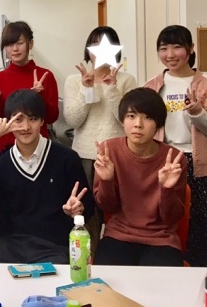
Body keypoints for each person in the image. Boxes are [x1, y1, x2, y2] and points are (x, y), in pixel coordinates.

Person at [0, 89, 93, 264]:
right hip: (9, 246)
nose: (26, 127)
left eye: (33, 119)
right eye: (18, 120)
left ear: (42, 121)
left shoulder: (67, 158)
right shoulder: (1, 163)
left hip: (54, 247)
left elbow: (88, 208)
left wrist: (77, 210)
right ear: (8, 122)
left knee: (55, 278)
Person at [144, 25, 207, 267]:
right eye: (163, 48)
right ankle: (169, 267)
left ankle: (202, 272)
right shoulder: (151, 87)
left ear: (190, 49)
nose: (170, 54)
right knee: (165, 219)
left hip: (199, 164)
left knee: (202, 224)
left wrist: (198, 113)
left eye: (177, 47)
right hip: (163, 161)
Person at [63, 26, 137, 255]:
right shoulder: (74, 80)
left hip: (118, 155)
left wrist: (111, 89)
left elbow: (127, 119)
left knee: (118, 210)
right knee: (86, 214)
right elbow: (73, 120)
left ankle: (116, 255)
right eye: (94, 44)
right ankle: (89, 257)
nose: (99, 50)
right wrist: (87, 90)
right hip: (84, 155)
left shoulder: (126, 80)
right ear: (88, 49)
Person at [94, 88, 188, 267]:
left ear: (158, 124)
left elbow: (172, 218)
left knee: (164, 282)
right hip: (119, 235)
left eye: (147, 117)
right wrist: (106, 180)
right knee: (105, 279)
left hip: (161, 239)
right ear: (122, 120)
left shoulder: (174, 159)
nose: (138, 124)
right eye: (131, 116)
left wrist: (167, 189)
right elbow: (107, 207)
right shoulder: (109, 151)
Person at [0, 21, 59, 153]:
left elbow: (52, 118)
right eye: (9, 44)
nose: (15, 49)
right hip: (6, 150)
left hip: (37, 149)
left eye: (20, 43)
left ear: (31, 44)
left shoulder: (45, 76)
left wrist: (39, 97)